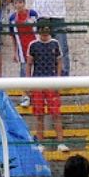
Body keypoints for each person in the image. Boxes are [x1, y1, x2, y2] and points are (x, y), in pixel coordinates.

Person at [23, 0, 81, 77]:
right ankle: (42, 76)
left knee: (61, 48)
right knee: (40, 48)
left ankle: (63, 78)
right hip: (41, 15)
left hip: (57, 15)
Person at [27, 24, 68, 152]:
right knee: (39, 114)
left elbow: (59, 62)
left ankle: (60, 143)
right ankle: (40, 143)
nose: (44, 36)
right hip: (37, 83)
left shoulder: (55, 43)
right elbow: (29, 64)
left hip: (51, 82)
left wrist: (58, 79)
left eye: (46, 33)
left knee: (56, 114)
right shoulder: (33, 45)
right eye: (42, 33)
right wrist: (28, 83)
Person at [8, 0, 38, 107]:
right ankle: (26, 96)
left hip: (36, 49)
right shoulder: (12, 19)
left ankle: (38, 97)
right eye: (16, 3)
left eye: (20, 2)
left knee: (38, 72)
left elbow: (40, 31)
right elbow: (13, 38)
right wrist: (15, 52)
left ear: (24, 3)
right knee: (24, 73)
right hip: (22, 50)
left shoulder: (33, 14)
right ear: (13, 5)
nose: (18, 5)